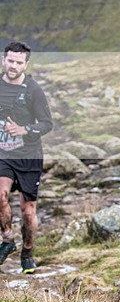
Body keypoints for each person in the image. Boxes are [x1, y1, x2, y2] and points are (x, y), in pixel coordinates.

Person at [0, 41, 53, 274]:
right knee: (0, 194)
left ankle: (28, 253)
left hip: (29, 156)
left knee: (27, 210)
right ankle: (8, 240)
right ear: (3, 60)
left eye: (18, 62)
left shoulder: (33, 90)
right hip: (3, 154)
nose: (13, 66)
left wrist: (25, 130)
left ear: (26, 64)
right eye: (10, 60)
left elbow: (47, 124)